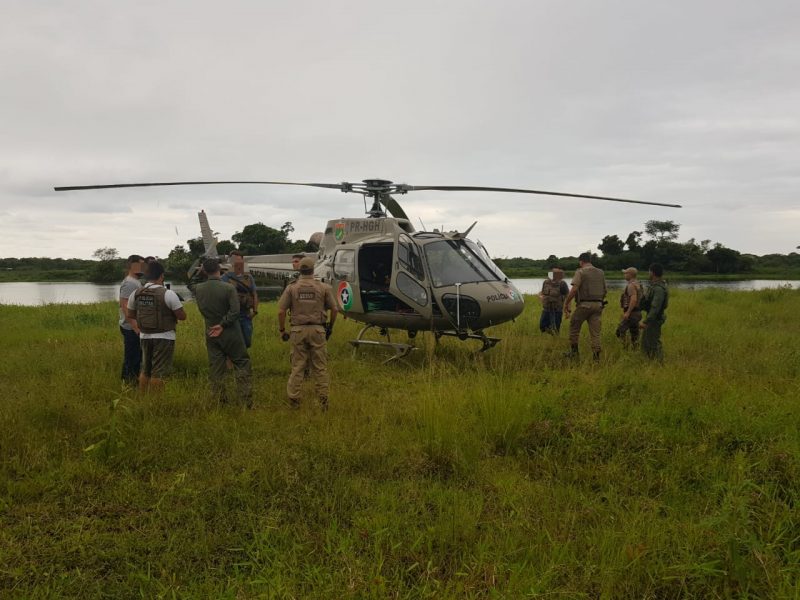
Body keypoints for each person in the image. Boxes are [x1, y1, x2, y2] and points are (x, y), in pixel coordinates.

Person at [277, 256, 338, 410]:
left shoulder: (292, 288)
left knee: (297, 366)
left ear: (300, 269)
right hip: (318, 329)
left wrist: (282, 330)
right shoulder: (323, 287)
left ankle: (294, 400)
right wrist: (330, 326)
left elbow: (281, 311)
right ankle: (323, 400)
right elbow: (335, 309)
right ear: (313, 269)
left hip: (298, 330)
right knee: (320, 366)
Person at [194, 258, 253, 406]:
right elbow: (235, 311)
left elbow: (192, 286)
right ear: (219, 269)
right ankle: (245, 400)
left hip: (210, 331)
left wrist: (200, 272)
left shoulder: (198, 288)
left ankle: (220, 401)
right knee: (241, 362)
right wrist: (223, 324)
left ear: (204, 271)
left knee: (216, 367)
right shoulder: (228, 288)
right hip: (230, 331)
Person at [127, 261, 186, 392]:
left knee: (145, 369)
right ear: (162, 276)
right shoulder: (168, 294)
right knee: (159, 372)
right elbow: (182, 316)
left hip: (144, 336)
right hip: (164, 337)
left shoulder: (136, 293)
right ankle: (155, 402)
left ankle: (143, 397)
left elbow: (130, 314)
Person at [563, 252, 607, 361]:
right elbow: (605, 290)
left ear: (581, 261)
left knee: (574, 327)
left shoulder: (580, 271)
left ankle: (574, 353)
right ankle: (596, 357)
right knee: (595, 333)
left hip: (584, 305)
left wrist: (566, 303)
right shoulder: (601, 272)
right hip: (598, 305)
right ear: (590, 260)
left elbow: (574, 290)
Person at [221, 251, 258, 348]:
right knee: (233, 342)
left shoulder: (248, 277)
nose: (236, 262)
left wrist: (255, 311)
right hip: (231, 314)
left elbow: (254, 294)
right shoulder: (224, 277)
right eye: (233, 259)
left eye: (238, 259)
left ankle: (242, 359)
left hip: (246, 314)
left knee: (247, 341)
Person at [119, 254, 145, 385]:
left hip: (135, 326)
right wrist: (136, 328)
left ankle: (132, 380)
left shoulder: (136, 281)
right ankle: (128, 382)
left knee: (137, 356)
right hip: (131, 327)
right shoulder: (129, 283)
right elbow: (124, 306)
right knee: (132, 357)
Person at [639, 263, 669, 361]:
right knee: (646, 342)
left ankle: (660, 364)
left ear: (653, 272)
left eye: (649, 271)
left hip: (654, 319)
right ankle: (649, 363)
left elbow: (655, 307)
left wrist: (646, 321)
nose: (648, 273)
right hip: (652, 318)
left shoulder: (659, 289)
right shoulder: (654, 286)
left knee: (654, 343)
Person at [615, 267, 644, 348]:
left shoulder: (631, 285)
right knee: (635, 333)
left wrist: (627, 313)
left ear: (630, 275)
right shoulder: (638, 284)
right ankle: (635, 349)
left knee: (620, 331)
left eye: (625, 273)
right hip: (637, 312)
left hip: (632, 313)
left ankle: (625, 347)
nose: (624, 275)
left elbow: (633, 299)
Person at [538, 267, 569, 334]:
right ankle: (549, 336)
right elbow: (542, 293)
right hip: (546, 309)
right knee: (542, 327)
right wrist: (541, 297)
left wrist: (567, 310)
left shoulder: (562, 284)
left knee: (556, 329)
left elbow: (567, 296)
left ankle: (555, 339)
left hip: (557, 310)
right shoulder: (546, 282)